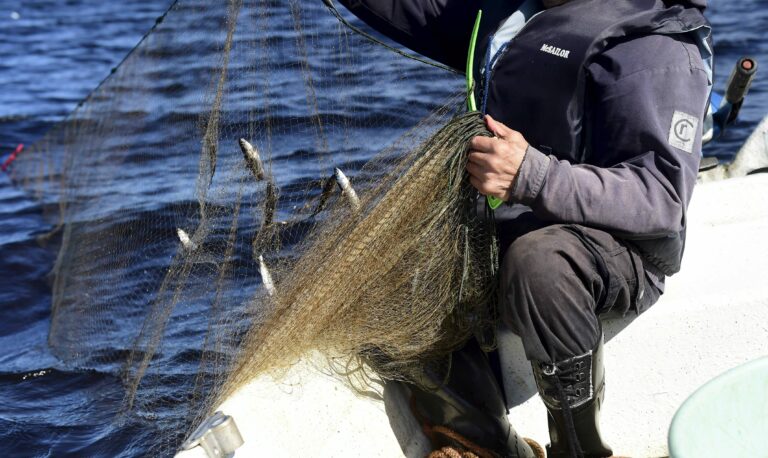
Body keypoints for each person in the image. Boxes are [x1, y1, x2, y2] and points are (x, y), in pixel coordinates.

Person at [338, 0, 712, 456]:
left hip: (617, 255)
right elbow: (416, 9)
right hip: (504, 233)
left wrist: (531, 176)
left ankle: (579, 448)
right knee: (375, 268)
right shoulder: (513, 13)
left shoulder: (653, 48)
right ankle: (486, 445)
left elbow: (660, 200)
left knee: (541, 261)